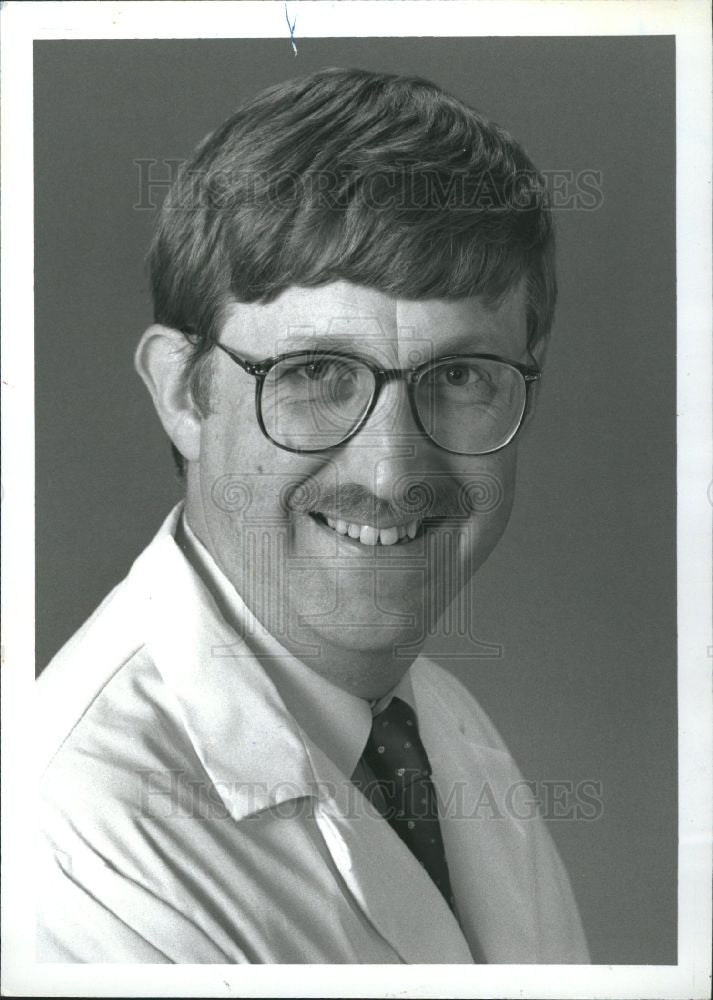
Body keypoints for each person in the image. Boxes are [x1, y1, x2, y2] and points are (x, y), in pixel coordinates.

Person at [37, 67, 589, 964]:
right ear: (183, 391)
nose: (391, 468)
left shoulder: (432, 724)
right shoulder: (76, 835)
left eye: (458, 377)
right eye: (317, 374)